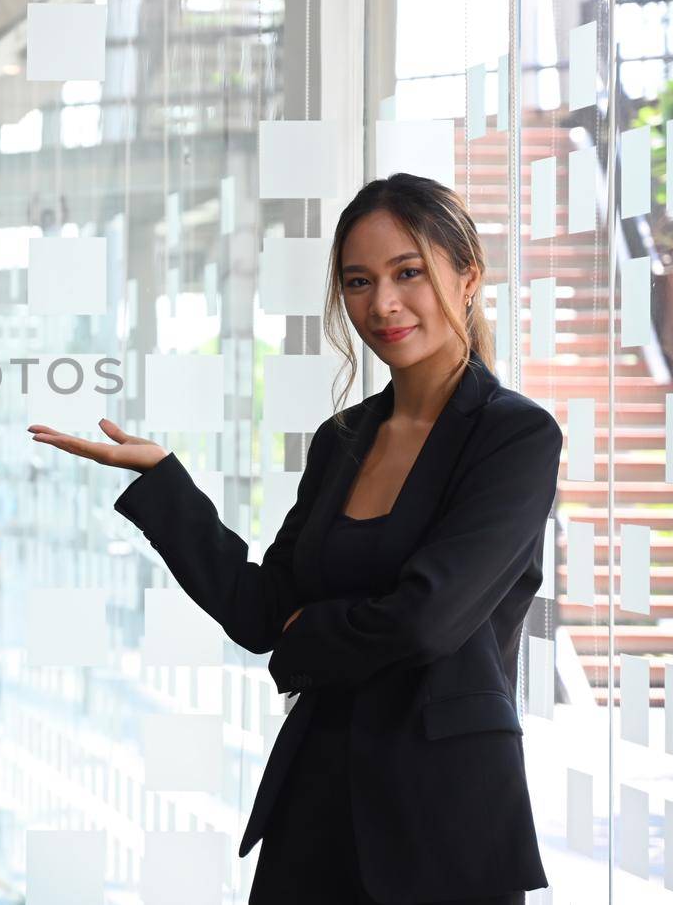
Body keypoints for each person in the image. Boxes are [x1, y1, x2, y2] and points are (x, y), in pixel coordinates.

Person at [29, 173, 558, 904]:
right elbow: (260, 610)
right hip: (315, 801)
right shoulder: (341, 441)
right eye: (359, 281)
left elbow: (429, 620)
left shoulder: (515, 435)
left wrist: (307, 638)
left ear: (467, 274)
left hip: (444, 819)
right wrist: (163, 485)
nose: (384, 304)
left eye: (409, 272)